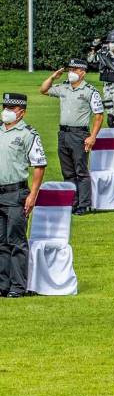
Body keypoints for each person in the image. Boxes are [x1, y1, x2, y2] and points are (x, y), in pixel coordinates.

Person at [39, 59, 103, 215]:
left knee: (81, 171)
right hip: (63, 134)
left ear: (83, 72)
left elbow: (99, 116)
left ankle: (84, 204)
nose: (71, 72)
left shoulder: (90, 91)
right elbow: (43, 90)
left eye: (75, 69)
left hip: (79, 134)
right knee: (67, 172)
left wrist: (92, 136)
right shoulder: (64, 87)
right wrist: (54, 77)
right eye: (70, 69)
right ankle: (72, 202)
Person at [0, 94, 46, 299]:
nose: (6, 111)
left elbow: (39, 165)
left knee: (16, 241)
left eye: (11, 108)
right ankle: (3, 284)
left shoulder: (28, 134)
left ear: (22, 112)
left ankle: (17, 286)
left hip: (16, 193)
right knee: (1, 242)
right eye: (5, 106)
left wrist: (33, 194)